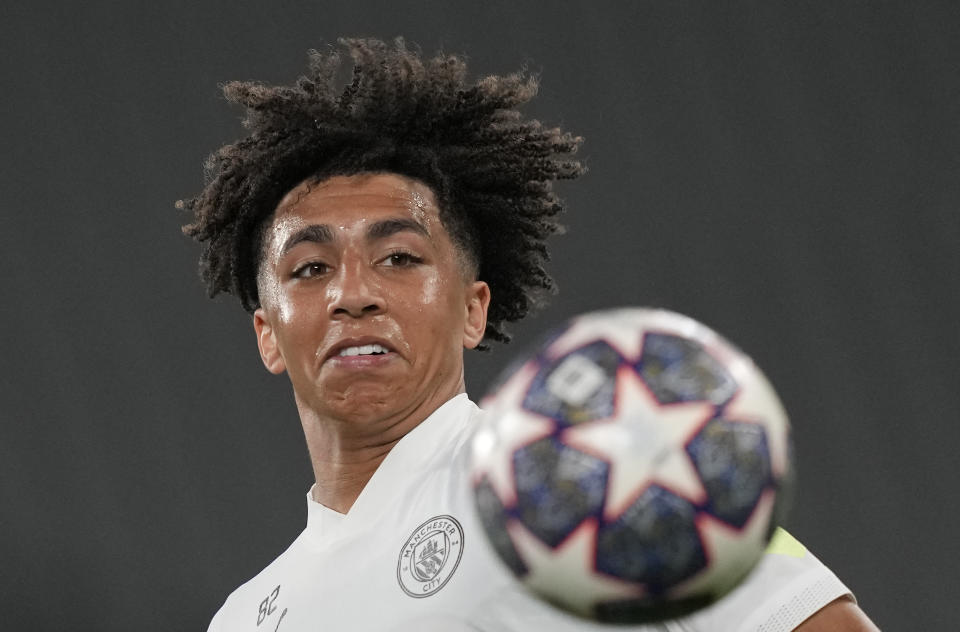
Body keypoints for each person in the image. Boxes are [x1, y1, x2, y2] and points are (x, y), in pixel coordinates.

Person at [178, 38, 877, 631]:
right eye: (309, 267)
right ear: (268, 335)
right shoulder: (243, 617)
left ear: (472, 309)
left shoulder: (588, 467)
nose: (352, 293)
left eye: (399, 257)